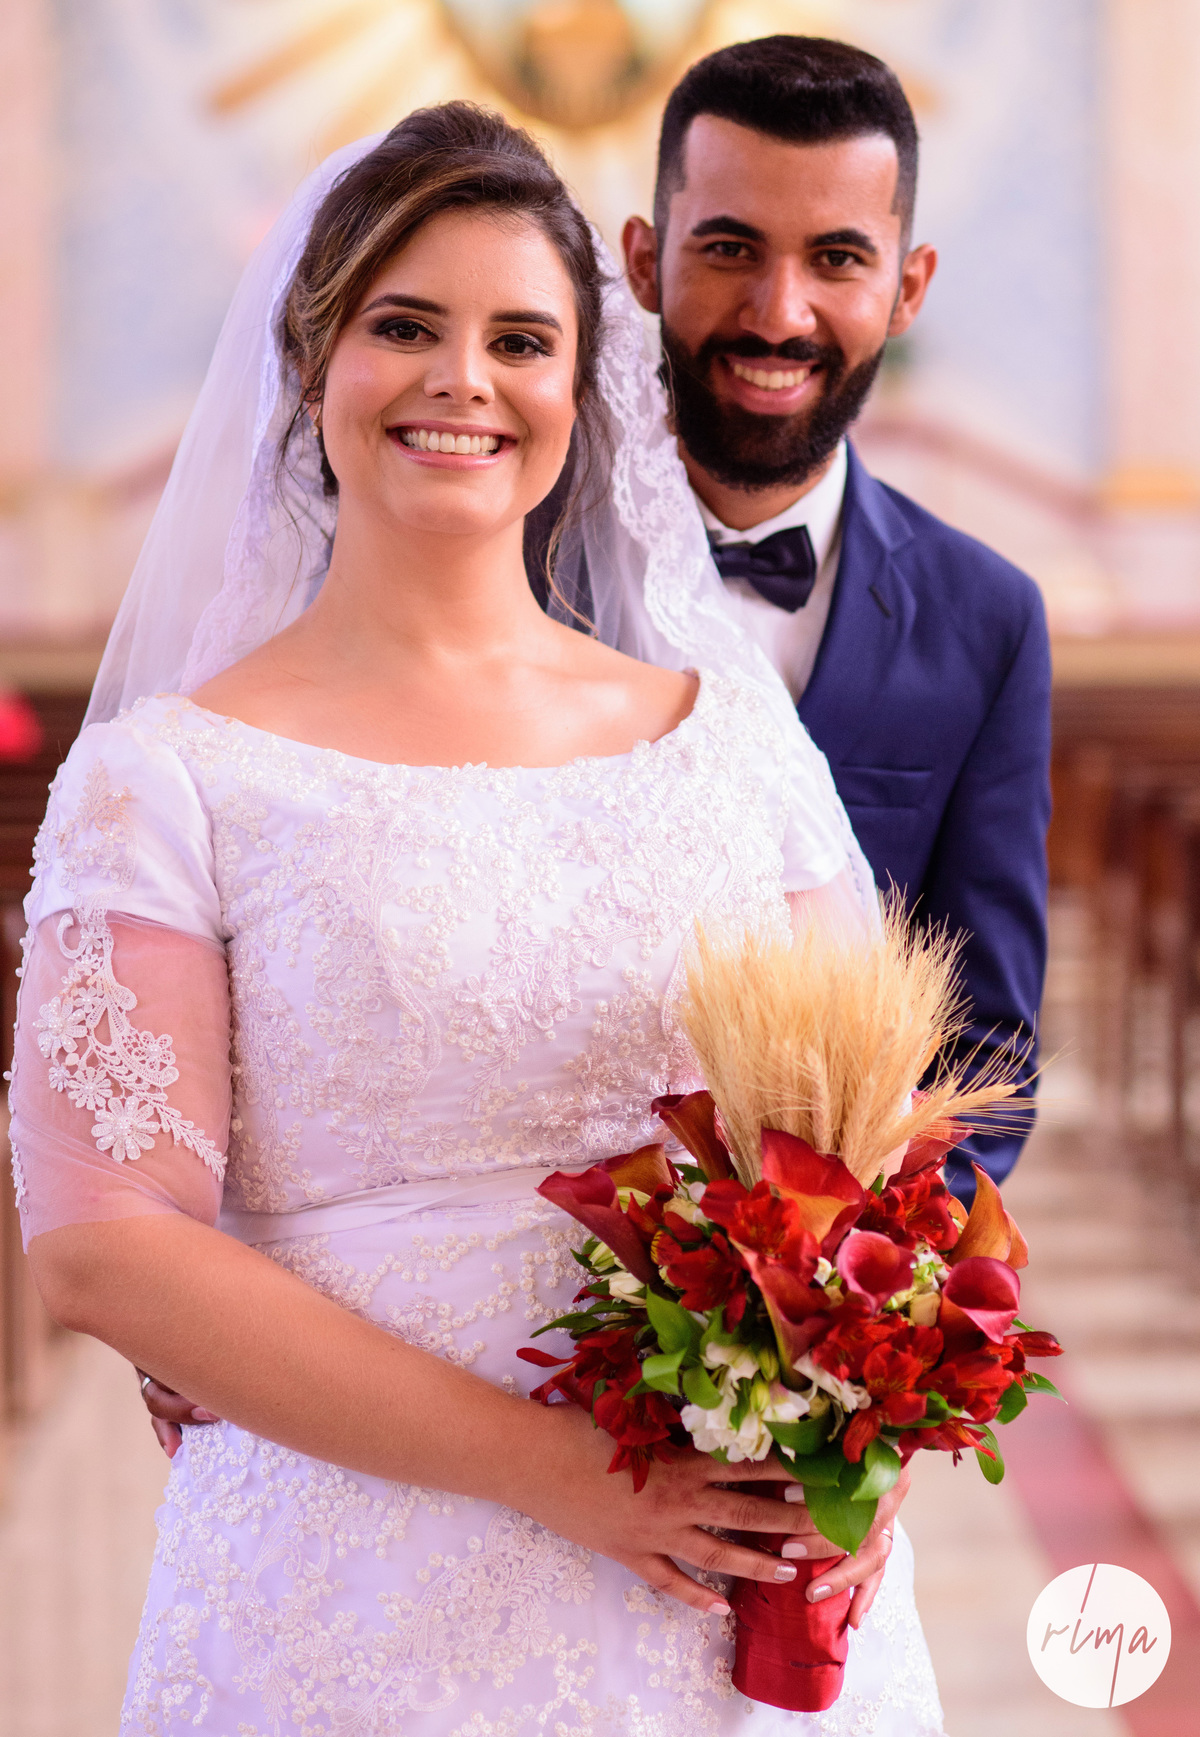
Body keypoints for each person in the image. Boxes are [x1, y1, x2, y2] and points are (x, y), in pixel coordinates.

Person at [10, 106, 945, 1734]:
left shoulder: (724, 738)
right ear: (314, 367)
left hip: (725, 1601)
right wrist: (569, 1476)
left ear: (581, 401)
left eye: (521, 338)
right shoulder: (167, 780)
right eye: (404, 326)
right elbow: (107, 1245)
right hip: (360, 1599)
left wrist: (873, 1449)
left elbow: (867, 1158)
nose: (464, 379)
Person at [622, 37, 1052, 1204]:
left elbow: (986, 1051)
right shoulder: (518, 571)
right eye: (730, 250)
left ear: (905, 289)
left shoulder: (988, 620)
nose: (780, 311)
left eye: (836, 259)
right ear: (646, 261)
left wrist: (855, 1297)